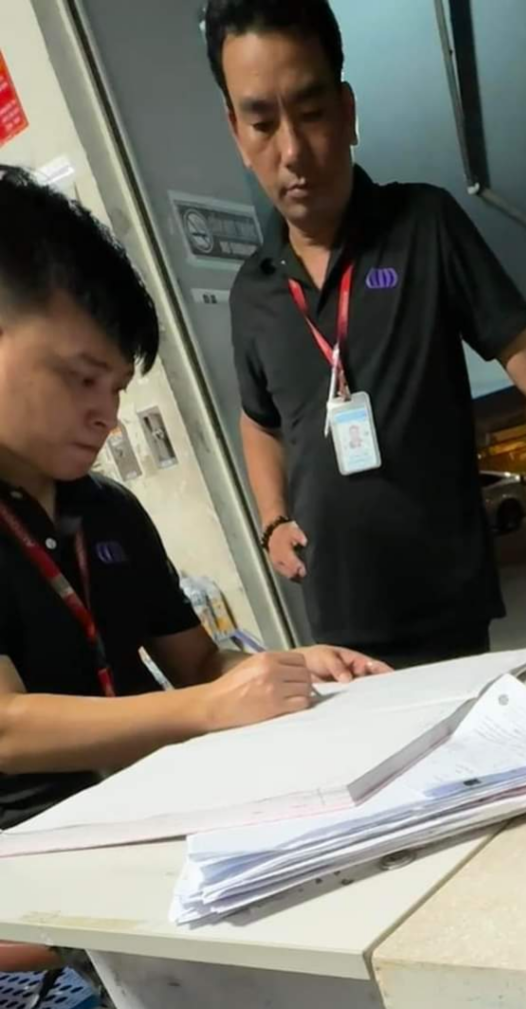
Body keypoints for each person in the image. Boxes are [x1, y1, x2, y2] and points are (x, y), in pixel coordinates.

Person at [203, 0, 526, 668]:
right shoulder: (252, 292)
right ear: (235, 132)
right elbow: (259, 421)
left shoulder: (424, 225)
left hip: (445, 598)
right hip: (337, 612)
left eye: (311, 113)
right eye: (262, 123)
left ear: (347, 111)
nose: (291, 152)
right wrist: (272, 517)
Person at [0, 165, 387, 832]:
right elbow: (7, 729)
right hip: (40, 849)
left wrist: (285, 671)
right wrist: (208, 709)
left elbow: (201, 664)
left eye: (117, 390)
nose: (106, 417)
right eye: (82, 379)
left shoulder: (109, 510)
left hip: (167, 804)